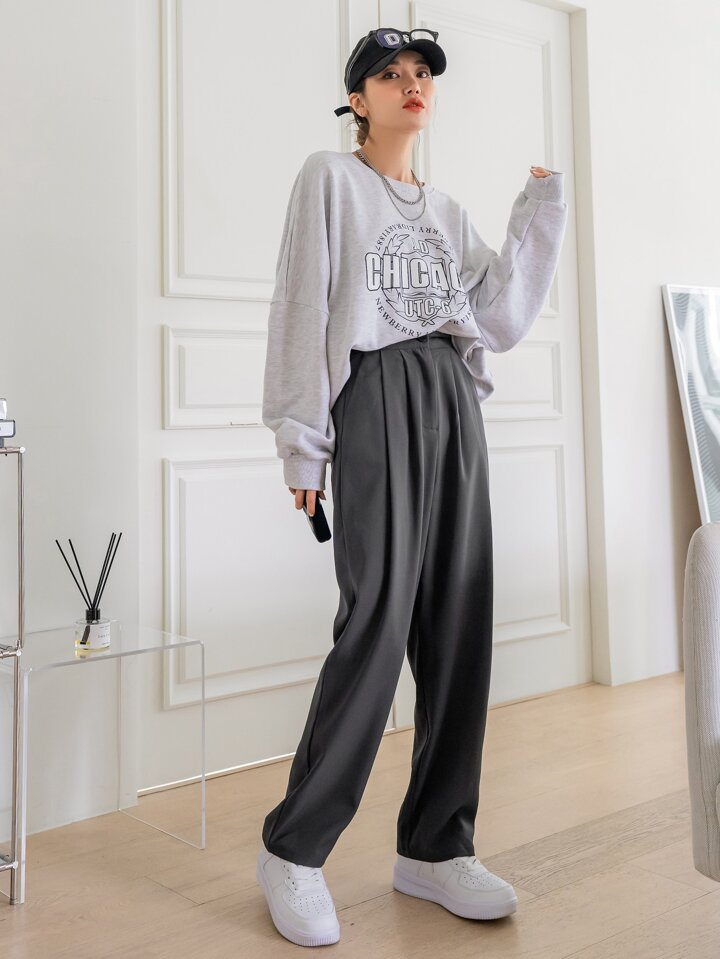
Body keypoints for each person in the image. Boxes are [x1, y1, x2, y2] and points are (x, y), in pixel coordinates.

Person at [255, 26, 568, 948]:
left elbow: (498, 318)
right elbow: (301, 306)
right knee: (378, 621)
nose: (411, 84)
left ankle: (436, 844)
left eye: (422, 72)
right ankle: (293, 848)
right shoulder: (329, 179)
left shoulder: (448, 212)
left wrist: (539, 210)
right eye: (390, 75)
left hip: (452, 401)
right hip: (376, 396)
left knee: (460, 620)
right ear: (358, 99)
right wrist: (302, 446)